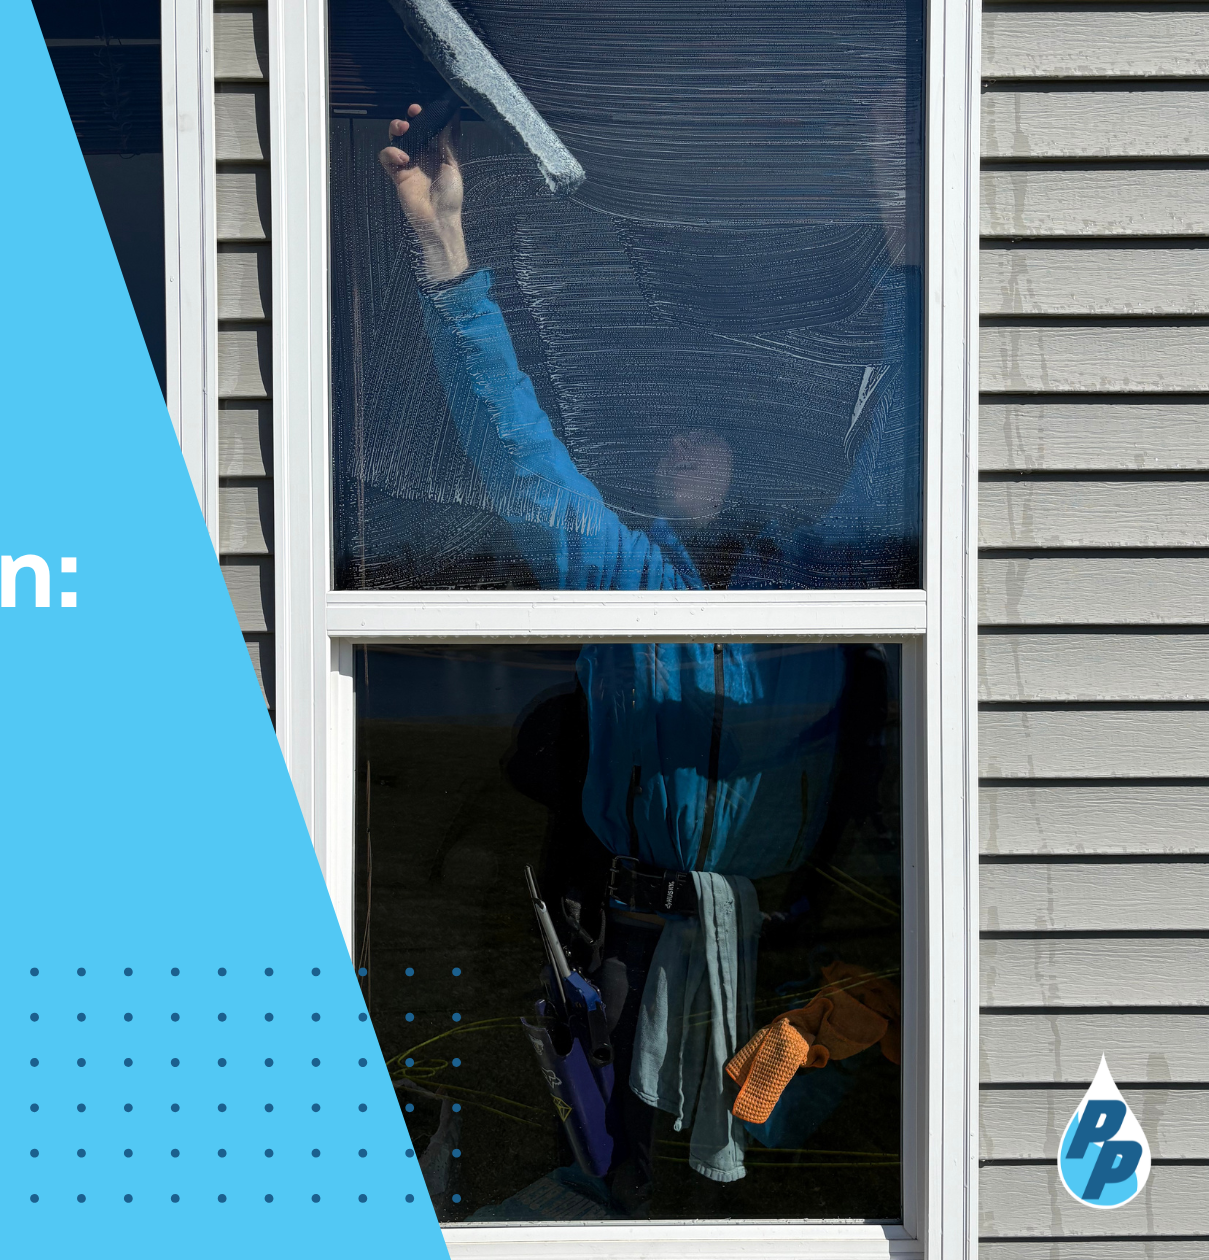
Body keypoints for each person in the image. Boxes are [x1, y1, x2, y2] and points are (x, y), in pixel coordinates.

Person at [380, 104, 906, 1208]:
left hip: (784, 948)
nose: (681, 444)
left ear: (746, 457)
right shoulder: (618, 574)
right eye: (663, 433)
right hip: (626, 943)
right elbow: (515, 448)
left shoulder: (822, 583)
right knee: (621, 1188)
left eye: (705, 430)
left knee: (772, 1186)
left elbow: (904, 438)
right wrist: (443, 250)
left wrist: (904, 225)